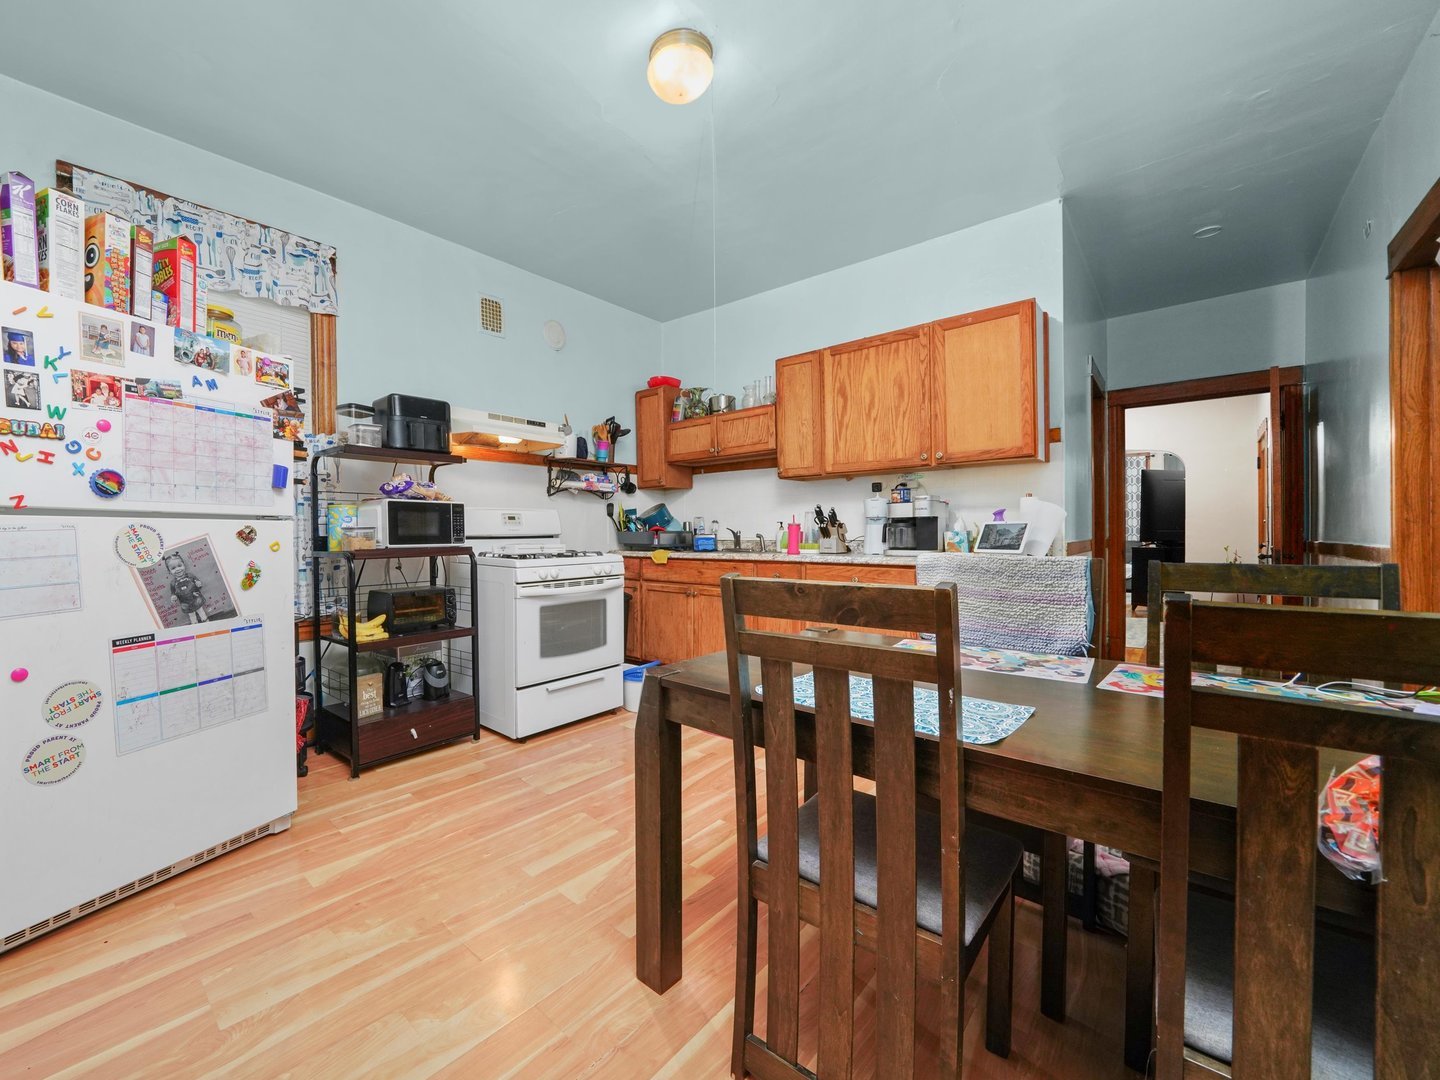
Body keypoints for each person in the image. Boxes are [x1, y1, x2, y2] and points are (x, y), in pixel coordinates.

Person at [163, 552, 208, 623]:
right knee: (191, 615)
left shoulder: (191, 576)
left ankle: (205, 621)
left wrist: (198, 583)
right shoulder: (173, 583)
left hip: (196, 599)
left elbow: (198, 585)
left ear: (184, 565)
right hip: (185, 603)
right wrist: (173, 597)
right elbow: (173, 593)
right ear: (169, 571)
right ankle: (195, 624)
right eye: (173, 568)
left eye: (179, 565)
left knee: (201, 611)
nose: (178, 569)